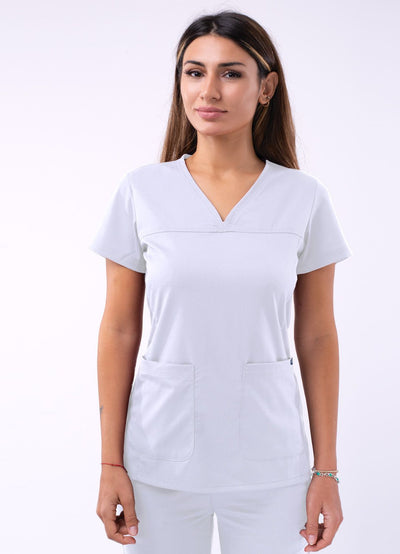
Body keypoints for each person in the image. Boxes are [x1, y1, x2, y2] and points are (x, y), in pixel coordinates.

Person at [89, 10, 352, 554]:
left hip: (271, 464)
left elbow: (317, 336)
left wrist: (326, 470)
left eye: (231, 73)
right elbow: (118, 330)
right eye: (194, 72)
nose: (209, 90)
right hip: (158, 460)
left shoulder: (303, 198)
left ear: (266, 88)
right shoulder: (142, 192)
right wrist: (110, 462)